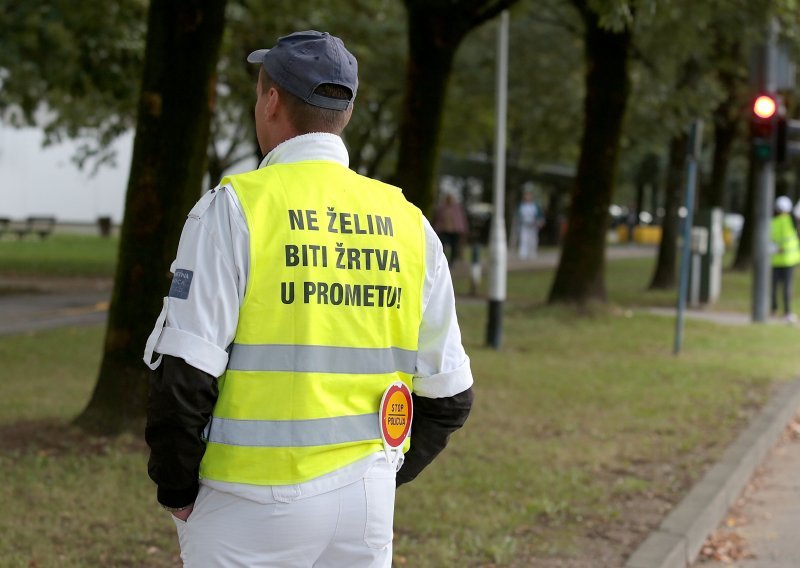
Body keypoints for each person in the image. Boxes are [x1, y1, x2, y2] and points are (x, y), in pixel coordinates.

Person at [142, 30, 473, 567]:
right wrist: (382, 475)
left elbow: (184, 373)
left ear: (271, 101)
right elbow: (450, 396)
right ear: (343, 111)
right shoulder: (408, 222)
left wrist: (175, 490)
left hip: (247, 501)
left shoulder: (235, 209)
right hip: (364, 499)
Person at [771, 195, 800, 323]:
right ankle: (787, 312)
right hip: (789, 260)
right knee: (786, 288)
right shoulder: (792, 220)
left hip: (776, 260)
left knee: (773, 287)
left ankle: (773, 310)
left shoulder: (772, 222)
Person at [433, 192, 469, 264]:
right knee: (442, 246)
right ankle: (442, 260)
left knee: (454, 247)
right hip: (444, 231)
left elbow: (460, 219)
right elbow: (438, 219)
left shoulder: (456, 208)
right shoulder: (442, 208)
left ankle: (452, 261)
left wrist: (462, 229)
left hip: (454, 231)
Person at [516, 190, 544, 259]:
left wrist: (540, 221)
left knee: (533, 239)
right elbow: (517, 215)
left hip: (533, 224)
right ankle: (523, 254)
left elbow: (540, 215)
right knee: (524, 239)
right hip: (524, 225)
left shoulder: (535, 205)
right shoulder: (521, 205)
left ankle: (532, 253)